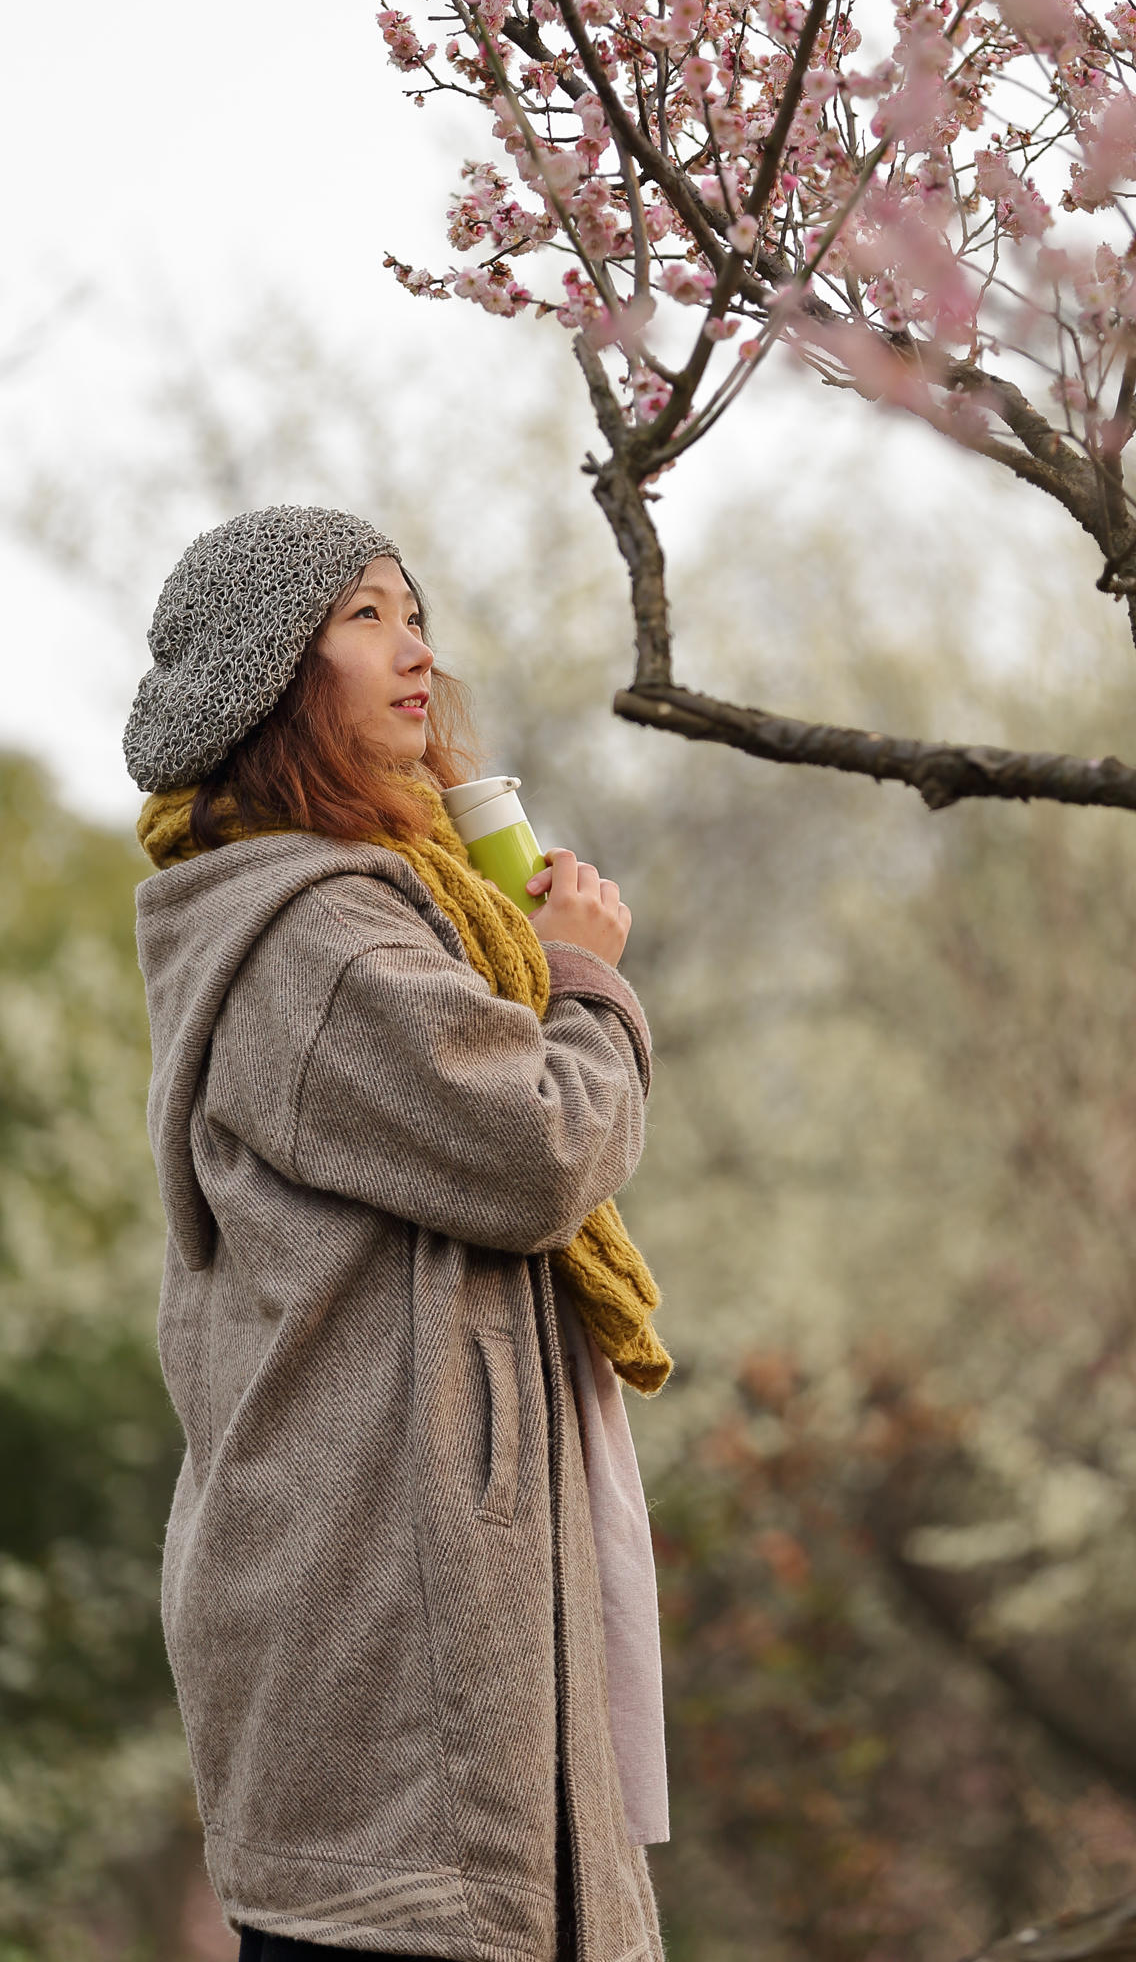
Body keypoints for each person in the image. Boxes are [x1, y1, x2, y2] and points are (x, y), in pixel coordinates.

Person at [124, 504, 671, 1962]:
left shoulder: (391, 915)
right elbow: (541, 1144)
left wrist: (530, 966)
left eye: (413, 611)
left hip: (396, 1608)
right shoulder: (312, 940)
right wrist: (588, 985)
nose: (416, 649)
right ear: (269, 674)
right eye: (364, 617)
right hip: (378, 1639)